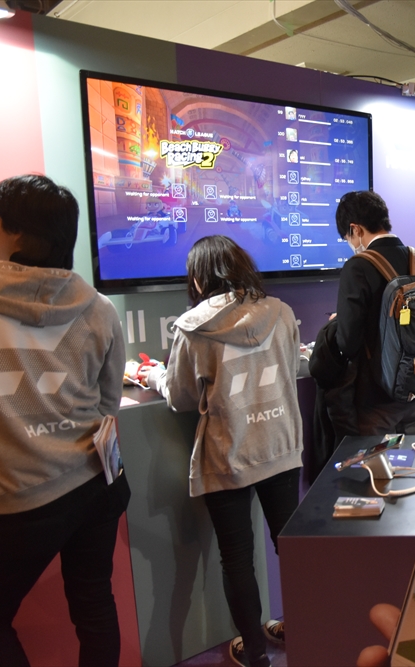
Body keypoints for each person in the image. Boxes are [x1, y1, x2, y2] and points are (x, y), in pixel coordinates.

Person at [0, 174, 130, 666]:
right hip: (99, 482)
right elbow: (108, 402)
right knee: (94, 602)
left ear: (17, 231)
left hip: (27, 495)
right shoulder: (99, 307)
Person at [142, 235, 303, 667]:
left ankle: (255, 654)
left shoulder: (192, 327)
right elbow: (290, 369)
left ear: (199, 277)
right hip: (280, 445)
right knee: (291, 548)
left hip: (228, 454)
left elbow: (179, 396)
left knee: (237, 559)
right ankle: (306, 634)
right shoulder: (281, 312)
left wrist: (150, 375)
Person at [328, 190, 415, 435]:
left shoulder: (358, 267)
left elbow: (348, 342)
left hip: (376, 399)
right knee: (412, 458)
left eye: (347, 237)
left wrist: (339, 323)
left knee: (375, 460)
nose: (350, 244)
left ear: (355, 229)